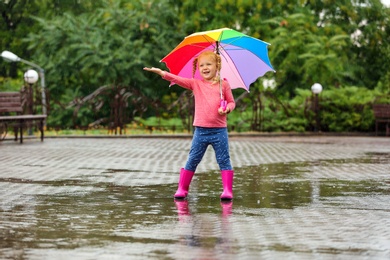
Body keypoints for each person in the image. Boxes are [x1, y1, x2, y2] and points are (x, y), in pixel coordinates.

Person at [143, 50, 235, 200]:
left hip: (219, 131)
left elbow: (231, 102)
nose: (205, 68)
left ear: (217, 65)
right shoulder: (196, 84)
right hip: (201, 131)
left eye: (209, 64)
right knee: (193, 159)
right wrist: (162, 73)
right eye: (201, 65)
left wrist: (227, 109)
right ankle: (182, 188)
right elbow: (178, 79)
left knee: (224, 159)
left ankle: (227, 191)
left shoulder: (223, 85)